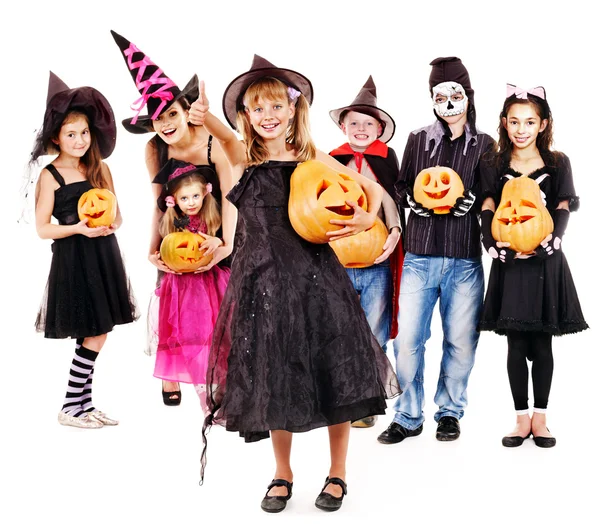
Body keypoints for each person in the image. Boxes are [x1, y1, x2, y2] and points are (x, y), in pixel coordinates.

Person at [190, 55, 399, 512]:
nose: (267, 116)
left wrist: (373, 219)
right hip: (264, 287)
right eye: (256, 109)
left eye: (275, 107)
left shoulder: (312, 158)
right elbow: (223, 137)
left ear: (292, 110)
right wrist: (205, 119)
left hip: (317, 282)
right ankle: (282, 472)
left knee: (335, 376)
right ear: (246, 115)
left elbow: (375, 192)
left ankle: (338, 472)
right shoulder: (245, 156)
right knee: (276, 378)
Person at [111, 30, 236, 405]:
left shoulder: (211, 143)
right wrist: (153, 250)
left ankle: (226, 383)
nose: (165, 124)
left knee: (224, 310)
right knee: (182, 308)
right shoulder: (154, 150)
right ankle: (183, 374)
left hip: (218, 231)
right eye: (156, 119)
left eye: (171, 114)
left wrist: (226, 243)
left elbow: (230, 198)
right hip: (178, 237)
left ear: (184, 110)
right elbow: (157, 204)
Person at [380, 57, 495, 445]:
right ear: (431, 98)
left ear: (468, 96)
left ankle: (449, 411)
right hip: (420, 256)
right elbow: (400, 186)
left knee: (461, 341)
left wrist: (474, 200)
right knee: (408, 339)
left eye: (455, 94)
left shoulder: (486, 144)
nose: (447, 102)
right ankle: (408, 416)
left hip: (464, 260)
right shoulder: (416, 140)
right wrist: (412, 196)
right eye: (439, 95)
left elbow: (492, 195)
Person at [478, 84, 588, 447]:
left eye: (529, 121)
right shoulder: (494, 162)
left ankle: (541, 420)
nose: (521, 129)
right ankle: (520, 419)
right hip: (510, 264)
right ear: (505, 124)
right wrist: (491, 243)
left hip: (545, 262)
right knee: (515, 347)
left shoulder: (558, 163)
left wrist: (551, 241)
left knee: (542, 347)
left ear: (542, 125)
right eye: (514, 121)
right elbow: (489, 205)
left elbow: (562, 206)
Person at [31, 72, 138, 428]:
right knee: (97, 331)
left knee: (92, 330)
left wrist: (110, 225)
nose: (79, 140)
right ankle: (68, 406)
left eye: (84, 133)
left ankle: (83, 405)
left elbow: (118, 216)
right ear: (56, 137)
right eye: (71, 134)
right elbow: (43, 228)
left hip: (104, 255)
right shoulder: (51, 176)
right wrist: (77, 228)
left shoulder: (99, 168)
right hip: (74, 259)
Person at [328, 76, 404, 428]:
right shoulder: (331, 159)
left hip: (376, 262)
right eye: (354, 122)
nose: (360, 129)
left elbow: (394, 202)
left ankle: (370, 400)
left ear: (380, 128)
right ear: (343, 126)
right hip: (338, 262)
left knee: (373, 330)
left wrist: (394, 232)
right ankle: (347, 398)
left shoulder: (388, 159)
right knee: (341, 330)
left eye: (368, 123)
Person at [149, 158, 230, 413]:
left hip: (210, 284)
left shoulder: (214, 218)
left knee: (214, 334)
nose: (192, 202)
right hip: (182, 289)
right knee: (189, 335)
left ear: (205, 193)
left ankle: (220, 387)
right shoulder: (171, 224)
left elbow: (223, 241)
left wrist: (217, 243)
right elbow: (164, 251)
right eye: (185, 199)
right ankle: (200, 391)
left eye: (196, 196)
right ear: (174, 201)